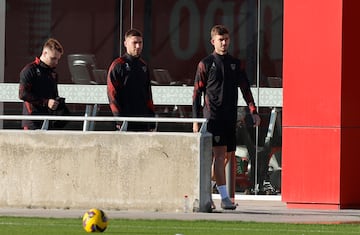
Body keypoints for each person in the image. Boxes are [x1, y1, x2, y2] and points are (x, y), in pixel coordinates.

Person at [192, 25, 261, 210]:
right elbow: (196, 93)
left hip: (230, 117)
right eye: (220, 40)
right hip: (213, 117)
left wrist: (253, 111)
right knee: (220, 155)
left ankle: (205, 187)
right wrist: (196, 120)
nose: (224, 43)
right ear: (212, 41)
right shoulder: (205, 63)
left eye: (226, 39)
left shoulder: (235, 63)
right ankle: (224, 199)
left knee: (227, 158)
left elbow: (245, 88)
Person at [107, 28, 155, 131]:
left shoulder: (144, 66)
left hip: (143, 120)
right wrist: (119, 120)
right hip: (125, 121)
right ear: (126, 43)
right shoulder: (118, 65)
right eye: (134, 43)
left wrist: (152, 120)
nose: (138, 46)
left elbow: (148, 95)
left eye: (140, 43)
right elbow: (112, 95)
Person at [19, 38, 65, 130]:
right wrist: (46, 102)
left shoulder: (53, 73)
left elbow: (53, 95)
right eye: (53, 58)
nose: (56, 62)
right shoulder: (30, 70)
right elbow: (23, 94)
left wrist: (58, 103)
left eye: (58, 59)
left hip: (48, 120)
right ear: (44, 53)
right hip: (32, 120)